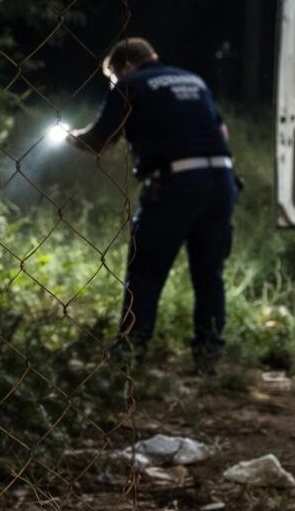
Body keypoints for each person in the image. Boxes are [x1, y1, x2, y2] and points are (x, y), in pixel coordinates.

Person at [65, 38, 237, 371]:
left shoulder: (129, 84)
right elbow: (223, 131)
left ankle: (130, 355)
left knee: (144, 272)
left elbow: (100, 140)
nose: (114, 83)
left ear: (123, 67)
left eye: (112, 77)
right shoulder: (194, 80)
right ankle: (207, 357)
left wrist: (68, 135)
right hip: (221, 183)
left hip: (175, 186)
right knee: (209, 274)